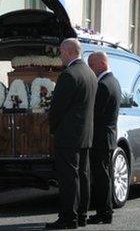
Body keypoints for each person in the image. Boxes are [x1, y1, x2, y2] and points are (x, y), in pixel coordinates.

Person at [47, 38, 97, 229]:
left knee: (68, 178)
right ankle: (82, 215)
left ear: (68, 52)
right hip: (85, 134)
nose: (60, 56)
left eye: (61, 52)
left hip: (68, 135)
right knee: (82, 175)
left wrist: (53, 130)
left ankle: (69, 218)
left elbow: (57, 108)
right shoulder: (90, 73)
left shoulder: (69, 74)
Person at [87, 52, 122, 224]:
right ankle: (105, 211)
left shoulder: (103, 85)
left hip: (100, 138)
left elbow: (95, 113)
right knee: (104, 175)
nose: (90, 69)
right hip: (107, 137)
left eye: (91, 65)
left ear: (101, 64)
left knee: (101, 177)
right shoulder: (113, 81)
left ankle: (104, 212)